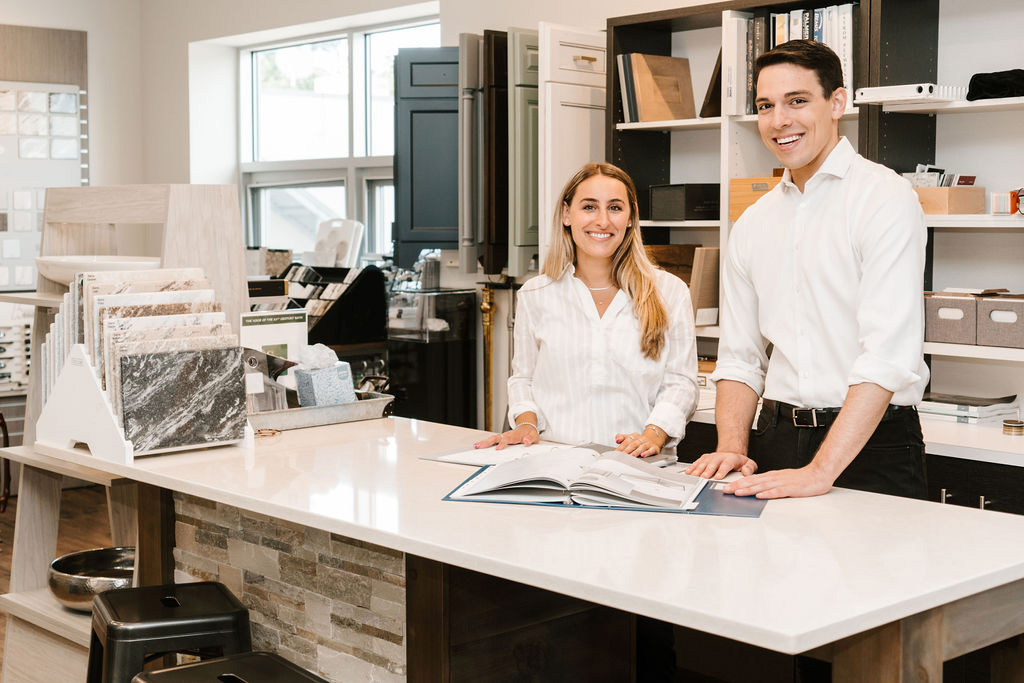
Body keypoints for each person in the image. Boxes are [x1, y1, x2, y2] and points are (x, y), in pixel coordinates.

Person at [686, 39, 930, 501]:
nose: (779, 121)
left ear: (837, 102)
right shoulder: (753, 222)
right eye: (766, 106)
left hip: (872, 446)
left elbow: (887, 357)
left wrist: (820, 471)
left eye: (797, 101)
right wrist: (732, 447)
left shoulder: (884, 199)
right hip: (775, 437)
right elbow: (740, 357)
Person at [474, 161, 699, 458]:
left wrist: (653, 435)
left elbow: (681, 383)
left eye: (615, 208)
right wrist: (526, 424)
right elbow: (523, 379)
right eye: (589, 207)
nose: (603, 221)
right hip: (553, 461)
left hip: (636, 464)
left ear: (631, 217)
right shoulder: (535, 294)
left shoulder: (670, 292)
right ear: (567, 214)